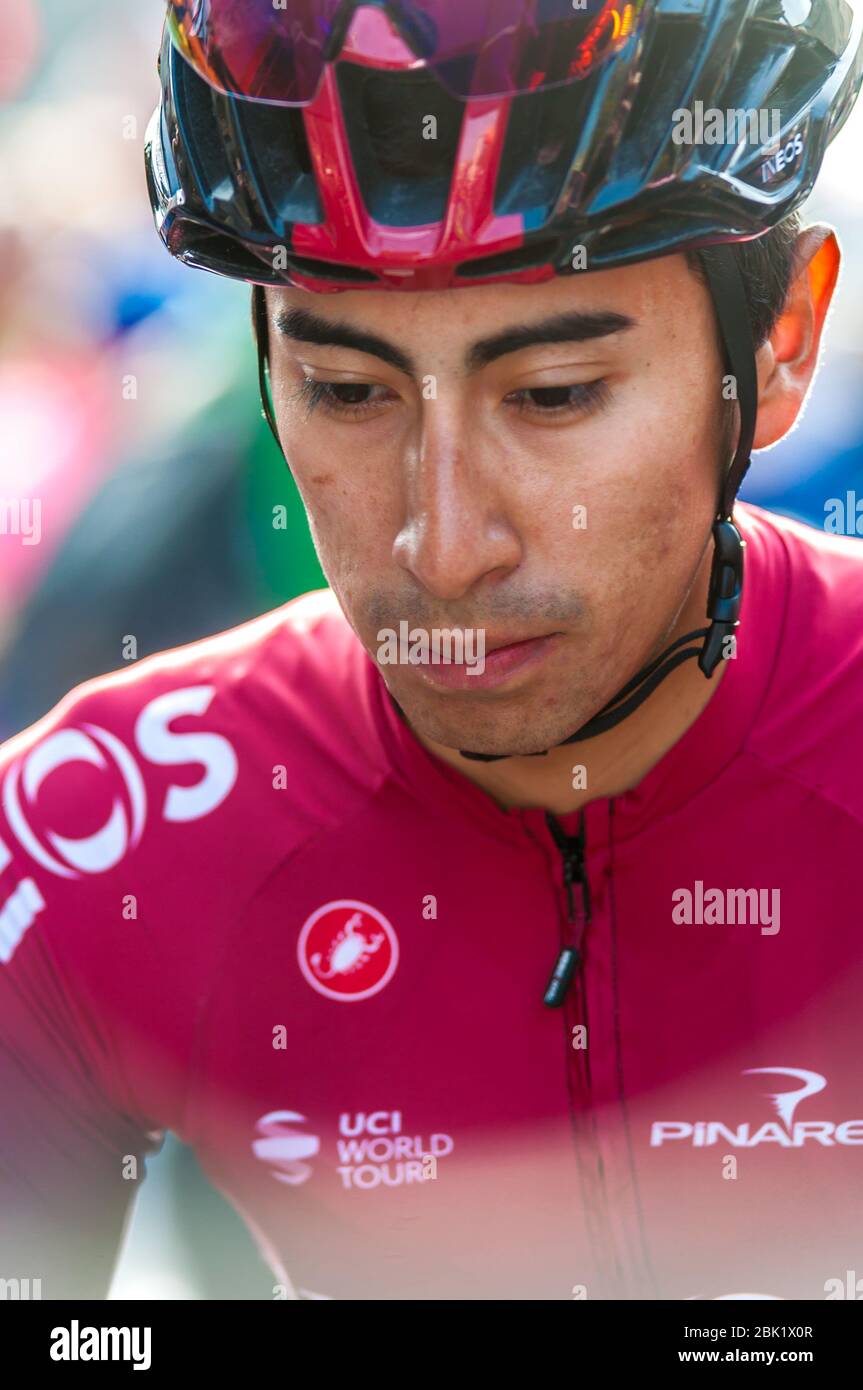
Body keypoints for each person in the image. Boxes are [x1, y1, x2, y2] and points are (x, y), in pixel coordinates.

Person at [2, 0, 863, 1300]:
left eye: (555, 392)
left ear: (782, 345)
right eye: (349, 391)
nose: (444, 548)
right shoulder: (90, 829)